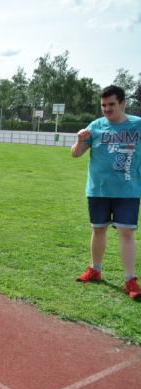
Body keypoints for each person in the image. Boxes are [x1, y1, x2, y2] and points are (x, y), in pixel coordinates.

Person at [71, 85, 141, 299]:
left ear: (122, 103)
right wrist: (80, 139)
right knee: (98, 230)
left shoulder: (137, 125)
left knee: (126, 232)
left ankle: (130, 280)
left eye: (111, 104)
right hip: (98, 189)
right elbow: (76, 154)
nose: (107, 109)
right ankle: (95, 270)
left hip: (127, 190)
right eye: (103, 105)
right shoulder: (96, 126)